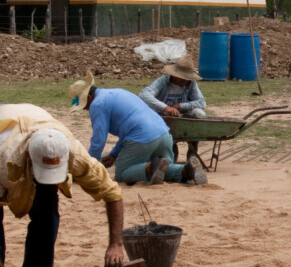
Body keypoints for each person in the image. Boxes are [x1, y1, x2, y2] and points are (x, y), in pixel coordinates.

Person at [0, 102, 127, 267]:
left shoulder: (74, 153)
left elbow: (112, 193)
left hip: (36, 124)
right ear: (29, 157)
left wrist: (116, 244)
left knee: (47, 211)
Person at [70, 73, 206, 186]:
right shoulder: (116, 92)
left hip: (143, 136)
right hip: (163, 133)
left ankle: (150, 166)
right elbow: (127, 129)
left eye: (83, 104)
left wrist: (87, 168)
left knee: (122, 172)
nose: (84, 108)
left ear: (89, 97)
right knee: (163, 170)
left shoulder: (97, 104)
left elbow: (98, 140)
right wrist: (114, 155)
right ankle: (186, 170)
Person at [139, 56, 208, 119]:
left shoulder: (191, 83)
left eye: (187, 78)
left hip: (182, 116)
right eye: (182, 78)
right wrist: (166, 107)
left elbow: (202, 103)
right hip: (161, 115)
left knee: (199, 113)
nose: (185, 81)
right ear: (175, 75)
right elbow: (144, 95)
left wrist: (180, 106)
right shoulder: (163, 81)